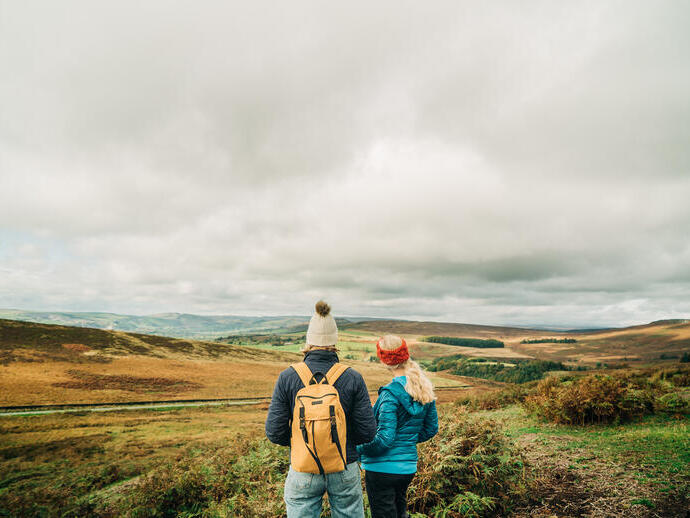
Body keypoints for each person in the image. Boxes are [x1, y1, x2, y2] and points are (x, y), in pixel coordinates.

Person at [265, 301, 377, 518]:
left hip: (302, 467)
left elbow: (274, 432)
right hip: (344, 465)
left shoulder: (287, 377)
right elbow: (368, 432)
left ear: (308, 341)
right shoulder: (352, 377)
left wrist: (303, 440)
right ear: (335, 341)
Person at [357, 335, 439, 518]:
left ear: (383, 360)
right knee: (399, 513)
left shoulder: (390, 395)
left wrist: (357, 449)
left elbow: (384, 439)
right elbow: (431, 428)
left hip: (381, 470)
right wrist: (406, 440)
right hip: (407, 467)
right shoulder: (423, 388)